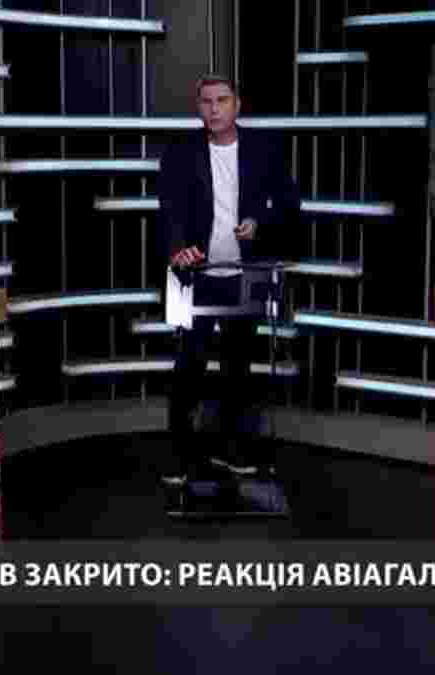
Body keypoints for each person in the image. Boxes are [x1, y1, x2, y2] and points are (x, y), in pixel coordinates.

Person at [158, 74, 301, 485]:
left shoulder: (263, 148)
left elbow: (289, 203)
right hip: (194, 275)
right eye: (206, 101)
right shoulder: (181, 151)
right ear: (198, 107)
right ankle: (180, 457)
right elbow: (169, 209)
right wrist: (178, 249)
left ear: (237, 104)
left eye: (222, 100)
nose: (214, 108)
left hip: (245, 274)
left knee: (237, 368)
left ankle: (231, 450)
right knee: (189, 366)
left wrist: (260, 223)